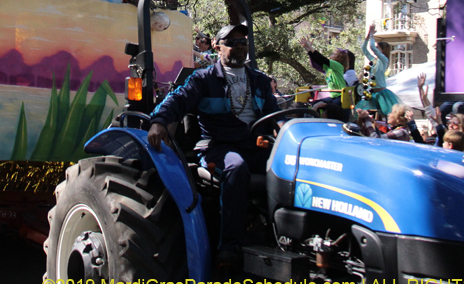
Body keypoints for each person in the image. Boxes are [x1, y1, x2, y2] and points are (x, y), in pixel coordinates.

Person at [147, 23, 279, 267]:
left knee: (292, 167)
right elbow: (177, 100)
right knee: (236, 168)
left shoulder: (259, 81)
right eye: (232, 43)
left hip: (255, 146)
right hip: (220, 146)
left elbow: (276, 116)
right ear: (218, 48)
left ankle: (283, 240)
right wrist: (160, 122)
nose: (239, 48)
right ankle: (230, 248)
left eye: (243, 43)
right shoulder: (204, 79)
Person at [298, 36, 350, 121]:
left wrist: (311, 48)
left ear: (339, 57)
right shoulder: (329, 67)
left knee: (333, 107)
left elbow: (322, 59)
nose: (331, 55)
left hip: (340, 95)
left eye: (334, 54)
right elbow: (316, 63)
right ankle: (317, 121)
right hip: (333, 96)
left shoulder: (337, 65)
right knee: (315, 103)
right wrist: (308, 49)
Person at [355, 23, 401, 116]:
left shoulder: (384, 60)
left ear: (383, 50)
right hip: (372, 94)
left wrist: (372, 34)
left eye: (378, 48)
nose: (375, 49)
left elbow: (371, 47)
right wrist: (368, 35)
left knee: (385, 115)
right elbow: (363, 48)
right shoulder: (373, 60)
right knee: (366, 115)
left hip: (382, 94)